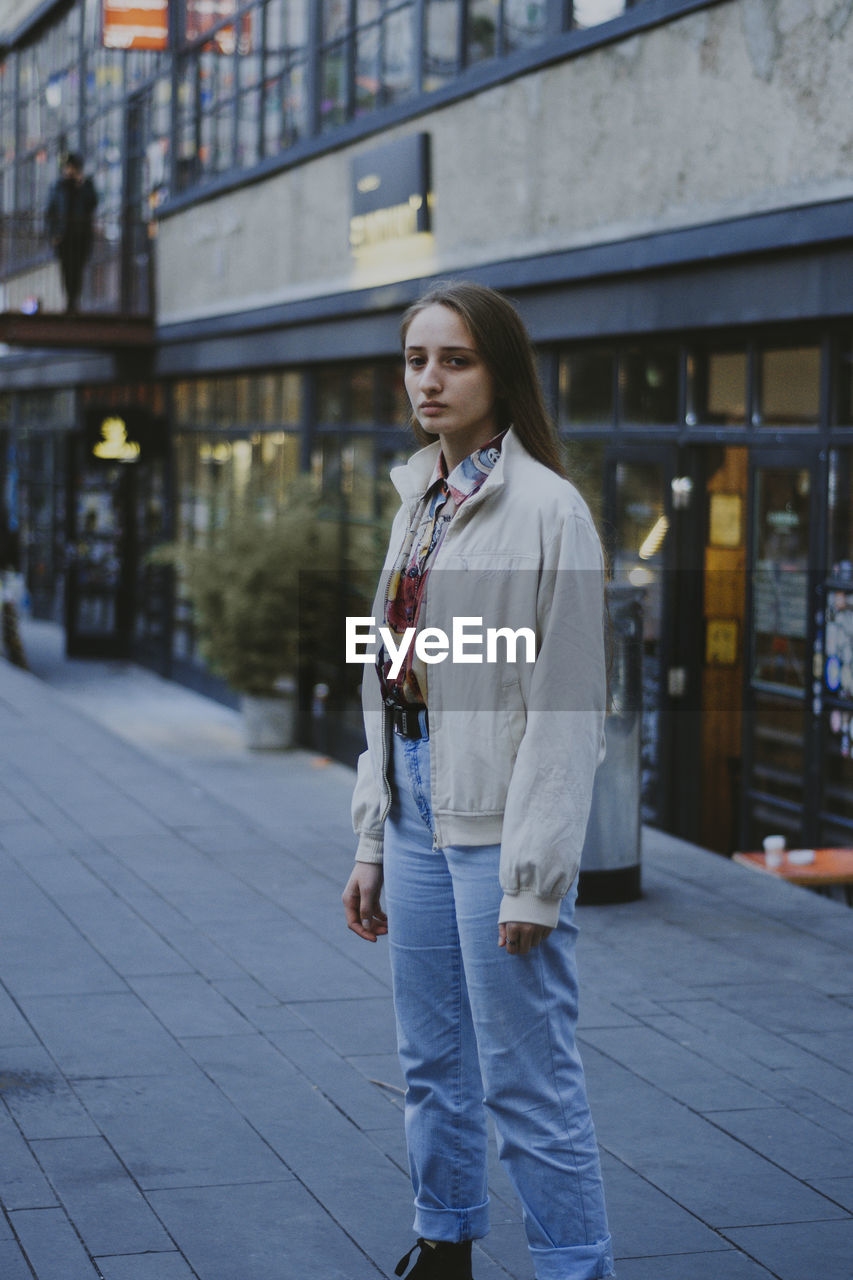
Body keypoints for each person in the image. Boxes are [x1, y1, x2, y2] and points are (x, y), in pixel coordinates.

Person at [342, 281, 615, 1280]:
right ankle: (445, 1240)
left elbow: (568, 709)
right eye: (416, 358)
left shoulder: (550, 510)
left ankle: (575, 1268)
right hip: (416, 800)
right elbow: (387, 673)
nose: (429, 378)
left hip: (498, 823)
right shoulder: (420, 497)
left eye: (452, 359)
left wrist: (534, 874)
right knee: (430, 1060)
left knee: (527, 1079)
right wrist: (373, 834)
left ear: (499, 372)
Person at [45, 152, 97, 314]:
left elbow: (92, 203)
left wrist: (81, 185)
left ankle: (74, 300)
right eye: (68, 168)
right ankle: (69, 300)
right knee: (67, 269)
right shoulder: (58, 187)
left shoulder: (85, 186)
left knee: (78, 268)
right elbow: (50, 212)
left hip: (80, 236)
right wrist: (53, 233)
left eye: (72, 168)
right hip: (64, 236)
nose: (70, 171)